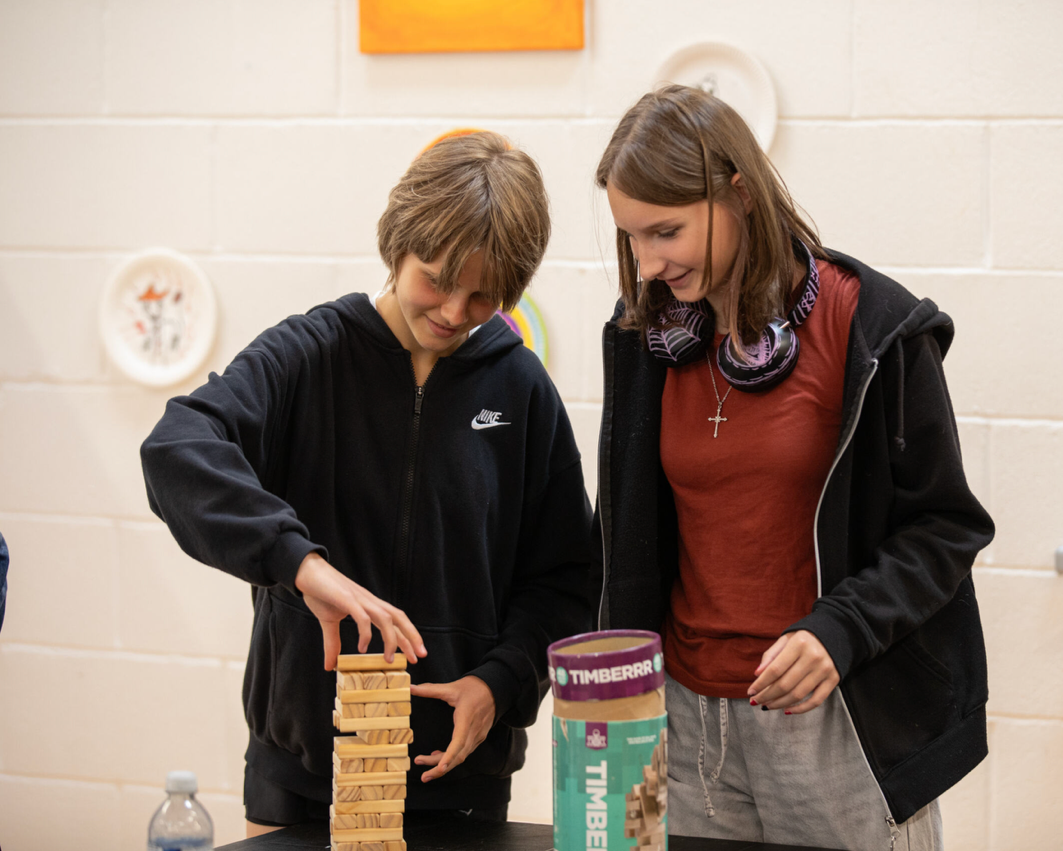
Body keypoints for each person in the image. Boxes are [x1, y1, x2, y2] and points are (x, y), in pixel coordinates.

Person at [141, 131, 592, 837]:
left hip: (460, 781)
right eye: (437, 279)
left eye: (482, 297)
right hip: (300, 780)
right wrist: (299, 561)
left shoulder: (522, 390)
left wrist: (498, 682)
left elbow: (564, 579)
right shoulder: (306, 357)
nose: (451, 311)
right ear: (397, 242)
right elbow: (176, 449)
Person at [590, 85, 995, 851]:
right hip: (681, 718)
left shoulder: (872, 324)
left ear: (736, 193)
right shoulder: (643, 339)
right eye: (631, 236)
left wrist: (840, 630)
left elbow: (947, 527)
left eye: (666, 231)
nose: (646, 264)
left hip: (836, 715)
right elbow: (621, 539)